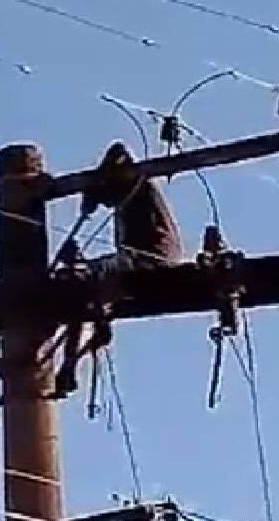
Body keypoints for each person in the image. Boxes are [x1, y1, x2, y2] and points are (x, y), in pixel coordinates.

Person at [54, 142, 185, 397]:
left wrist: (95, 188)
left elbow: (118, 152)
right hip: (133, 263)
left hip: (152, 262)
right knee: (82, 288)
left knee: (87, 275)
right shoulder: (127, 197)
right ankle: (73, 360)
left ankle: (71, 363)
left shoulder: (139, 187)